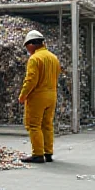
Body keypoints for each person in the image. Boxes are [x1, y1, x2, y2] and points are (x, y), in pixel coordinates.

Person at [18, 30, 60, 164]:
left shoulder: (35, 59)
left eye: (27, 46)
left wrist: (23, 95)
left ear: (32, 44)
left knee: (34, 125)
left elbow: (31, 80)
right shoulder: (53, 58)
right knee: (47, 125)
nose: (27, 49)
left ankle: (37, 154)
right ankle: (48, 153)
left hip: (38, 96)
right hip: (52, 95)